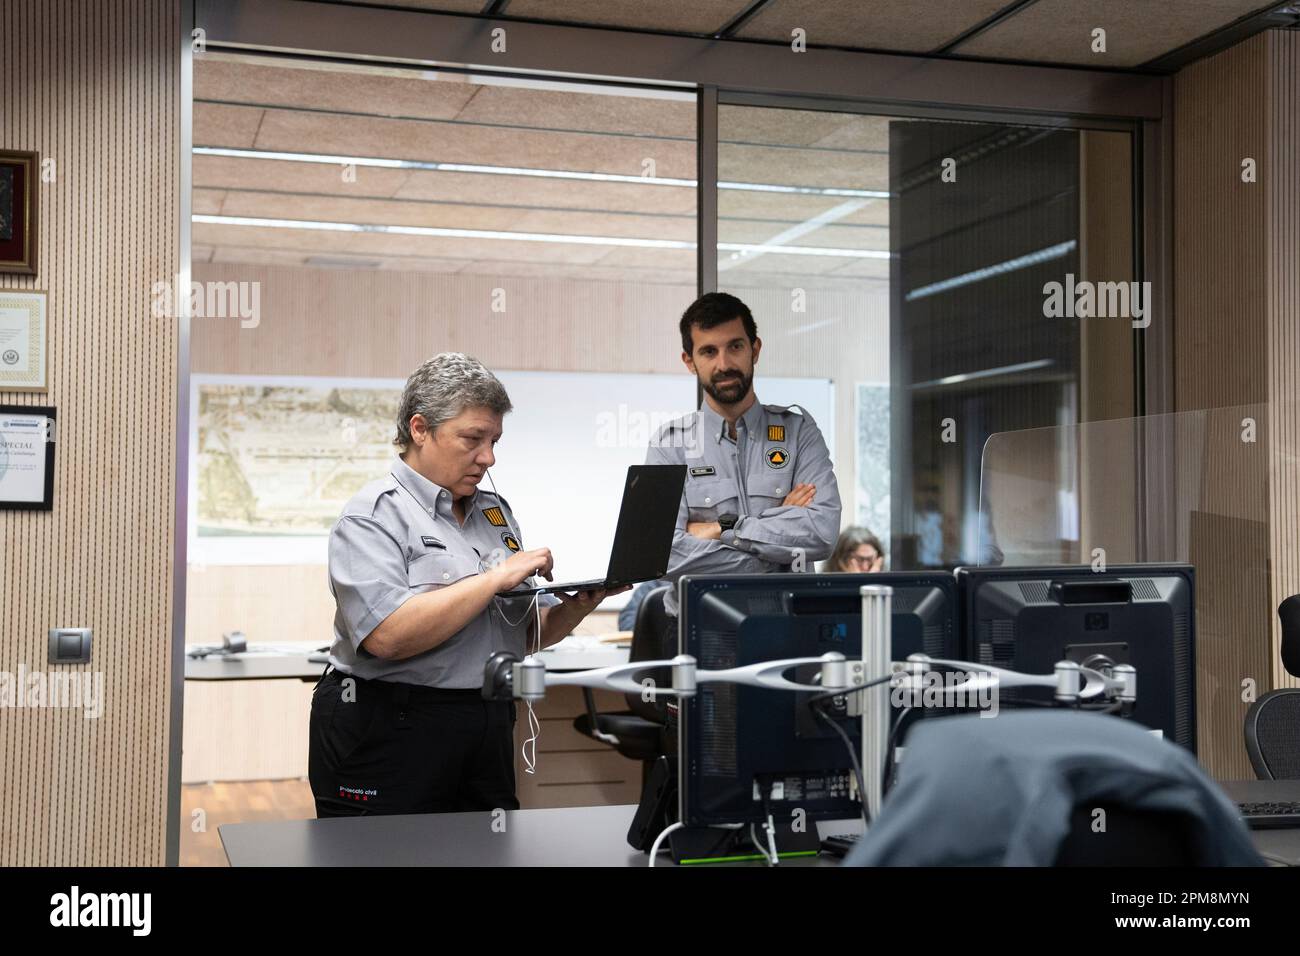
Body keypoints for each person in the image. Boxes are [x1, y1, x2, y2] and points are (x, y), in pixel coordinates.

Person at [309, 353, 625, 817]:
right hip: (390, 726)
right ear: (420, 429)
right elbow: (387, 636)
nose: (488, 457)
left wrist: (577, 606)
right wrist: (494, 577)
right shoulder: (373, 515)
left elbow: (519, 633)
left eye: (494, 440)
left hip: (485, 724)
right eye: (473, 438)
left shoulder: (494, 513)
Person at [646, 292, 842, 624]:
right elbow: (661, 556)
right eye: (709, 351)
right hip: (699, 633)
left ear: (755, 349)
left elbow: (821, 534)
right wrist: (774, 553)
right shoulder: (670, 446)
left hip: (790, 629)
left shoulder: (799, 433)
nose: (724, 364)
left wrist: (723, 528)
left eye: (735, 346)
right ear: (689, 361)